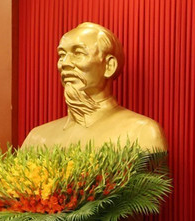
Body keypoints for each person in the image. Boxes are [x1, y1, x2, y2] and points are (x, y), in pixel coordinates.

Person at [21, 22, 167, 151]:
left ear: (109, 66)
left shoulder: (142, 134)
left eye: (78, 53)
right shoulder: (37, 138)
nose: (64, 63)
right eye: (61, 55)